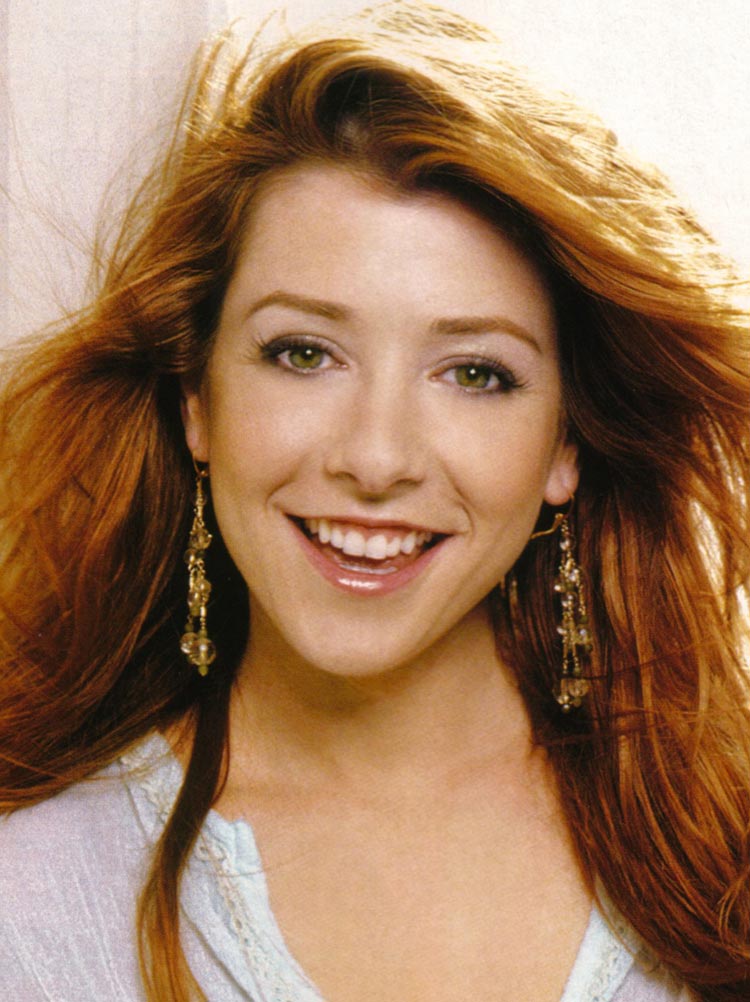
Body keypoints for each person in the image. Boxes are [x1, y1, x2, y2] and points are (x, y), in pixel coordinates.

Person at [1, 3, 749, 1000]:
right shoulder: (33, 906)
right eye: (303, 354)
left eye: (475, 373)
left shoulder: (723, 852)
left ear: (566, 441)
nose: (376, 457)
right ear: (197, 402)